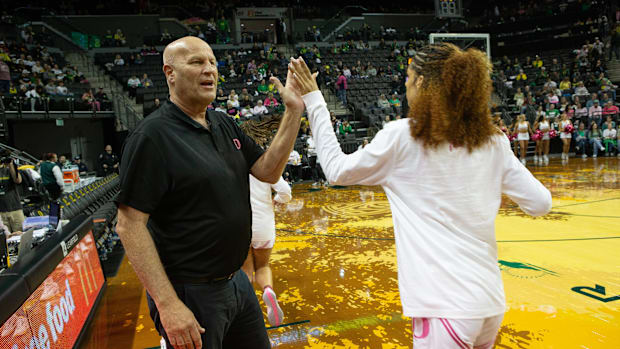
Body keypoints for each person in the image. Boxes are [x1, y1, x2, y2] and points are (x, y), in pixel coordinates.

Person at [289, 44, 551, 348]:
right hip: (489, 303)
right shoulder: (493, 140)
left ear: (423, 83)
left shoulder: (404, 136)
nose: (405, 84)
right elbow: (540, 203)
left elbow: (335, 169)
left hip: (444, 308)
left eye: (409, 77)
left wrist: (314, 98)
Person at [115, 36, 304, 349]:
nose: (210, 70)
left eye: (213, 62)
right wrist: (168, 305)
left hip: (237, 283)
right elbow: (129, 225)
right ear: (169, 73)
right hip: (191, 294)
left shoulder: (223, 123)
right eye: (196, 62)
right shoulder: (152, 137)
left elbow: (268, 170)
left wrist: (294, 111)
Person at [241, 173, 291, 326]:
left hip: (241, 223)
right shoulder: (264, 164)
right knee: (263, 266)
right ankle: (268, 290)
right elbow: (285, 191)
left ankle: (246, 310)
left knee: (245, 272)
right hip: (264, 224)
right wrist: (277, 200)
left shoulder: (232, 160)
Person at [0, 151, 25, 233]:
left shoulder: (10, 169)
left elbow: (18, 180)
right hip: (1, 212)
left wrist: (11, 165)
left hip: (15, 209)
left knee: (20, 237)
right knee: (5, 241)